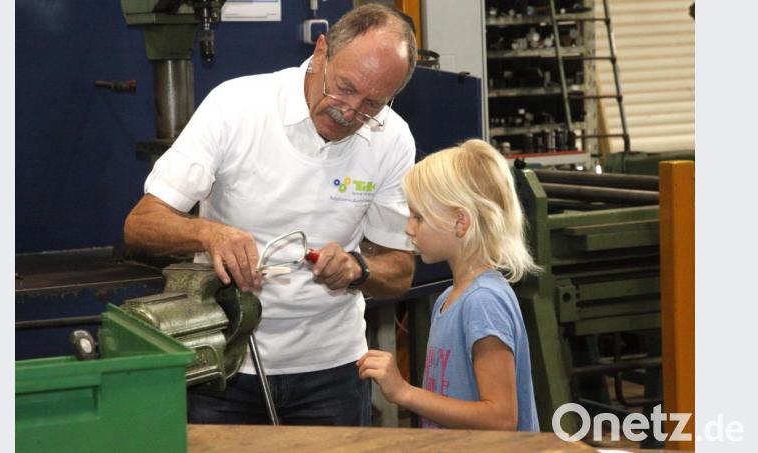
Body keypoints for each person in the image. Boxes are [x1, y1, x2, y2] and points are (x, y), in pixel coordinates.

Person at [123, 4, 418, 426]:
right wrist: (209, 234)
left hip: (332, 372)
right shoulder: (238, 106)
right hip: (225, 365)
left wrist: (358, 268)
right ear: (321, 52)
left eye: (373, 104)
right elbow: (140, 225)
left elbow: (400, 269)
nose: (350, 112)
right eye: (344, 89)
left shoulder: (391, 139)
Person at [357, 139, 540, 431]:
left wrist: (405, 392)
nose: (409, 228)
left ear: (460, 222)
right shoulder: (448, 299)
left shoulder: (483, 302)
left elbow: (501, 418)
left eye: (418, 216)